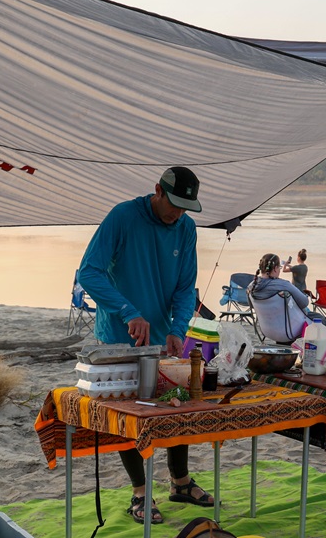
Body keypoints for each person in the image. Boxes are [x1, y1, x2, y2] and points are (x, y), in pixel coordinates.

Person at [77, 166, 213, 524]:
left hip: (163, 336)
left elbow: (186, 287)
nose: (178, 213)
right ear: (157, 190)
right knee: (128, 414)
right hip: (119, 336)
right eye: (174, 205)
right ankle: (140, 493)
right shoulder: (122, 217)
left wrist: (179, 328)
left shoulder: (186, 229)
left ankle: (179, 482)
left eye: (186, 207)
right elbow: (88, 272)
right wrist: (127, 311)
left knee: (177, 402)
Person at [249, 253, 321, 322]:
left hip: (265, 328)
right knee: (320, 318)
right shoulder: (283, 285)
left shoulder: (252, 286)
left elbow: (252, 305)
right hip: (287, 329)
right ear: (275, 268)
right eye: (279, 267)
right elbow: (304, 302)